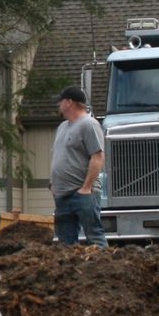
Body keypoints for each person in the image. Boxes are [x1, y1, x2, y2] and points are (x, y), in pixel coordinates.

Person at [51, 85, 107, 247]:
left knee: (94, 238)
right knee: (65, 244)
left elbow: (98, 157)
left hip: (82, 194)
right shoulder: (62, 127)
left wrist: (86, 188)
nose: (58, 105)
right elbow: (59, 157)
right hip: (62, 195)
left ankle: (104, 270)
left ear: (69, 102)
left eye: (60, 101)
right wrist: (52, 184)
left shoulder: (89, 124)